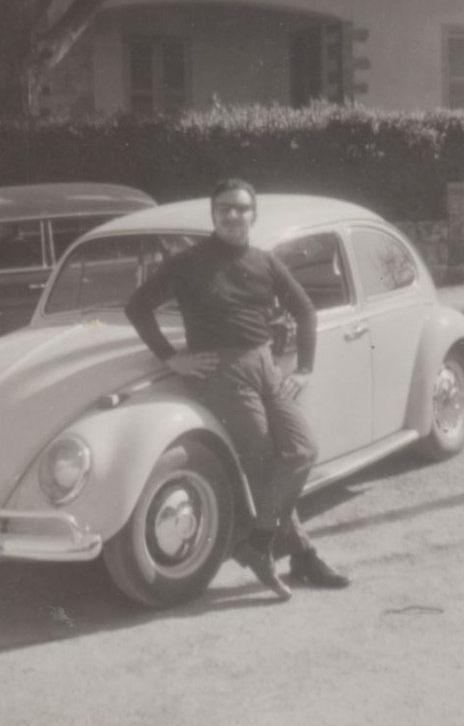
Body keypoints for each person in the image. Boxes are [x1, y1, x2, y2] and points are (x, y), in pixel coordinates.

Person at [125, 178, 350, 601]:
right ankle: (302, 555)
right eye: (224, 208)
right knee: (263, 462)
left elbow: (305, 311)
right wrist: (171, 358)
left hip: (265, 365)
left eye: (241, 209)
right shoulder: (188, 262)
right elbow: (136, 306)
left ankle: (258, 542)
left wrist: (303, 369)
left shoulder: (264, 262)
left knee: (302, 451)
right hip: (220, 371)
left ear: (253, 215)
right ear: (213, 215)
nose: (232, 215)